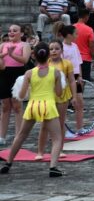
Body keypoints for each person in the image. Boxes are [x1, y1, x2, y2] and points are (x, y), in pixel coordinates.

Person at [0, 45, 65, 177]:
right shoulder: (56, 72)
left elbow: (21, 95)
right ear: (48, 56)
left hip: (33, 105)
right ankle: (53, 167)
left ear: (34, 56)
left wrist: (30, 88)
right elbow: (59, 93)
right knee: (57, 138)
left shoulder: (29, 73)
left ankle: (8, 163)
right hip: (48, 106)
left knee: (21, 135)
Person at [35, 40, 77, 160]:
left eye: (57, 49)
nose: (54, 51)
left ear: (62, 50)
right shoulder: (44, 63)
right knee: (44, 124)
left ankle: (60, 149)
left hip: (62, 96)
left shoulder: (67, 64)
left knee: (60, 123)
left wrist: (74, 96)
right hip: (47, 96)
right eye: (51, 49)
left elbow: (72, 81)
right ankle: (40, 151)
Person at [0, 24, 32, 145]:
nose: (11, 32)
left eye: (15, 30)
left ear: (21, 33)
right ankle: (2, 136)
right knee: (5, 106)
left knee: (17, 105)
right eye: (10, 31)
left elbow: (25, 60)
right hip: (4, 74)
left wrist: (12, 54)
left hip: (18, 74)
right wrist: (3, 55)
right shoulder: (3, 45)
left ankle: (18, 136)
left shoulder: (25, 45)